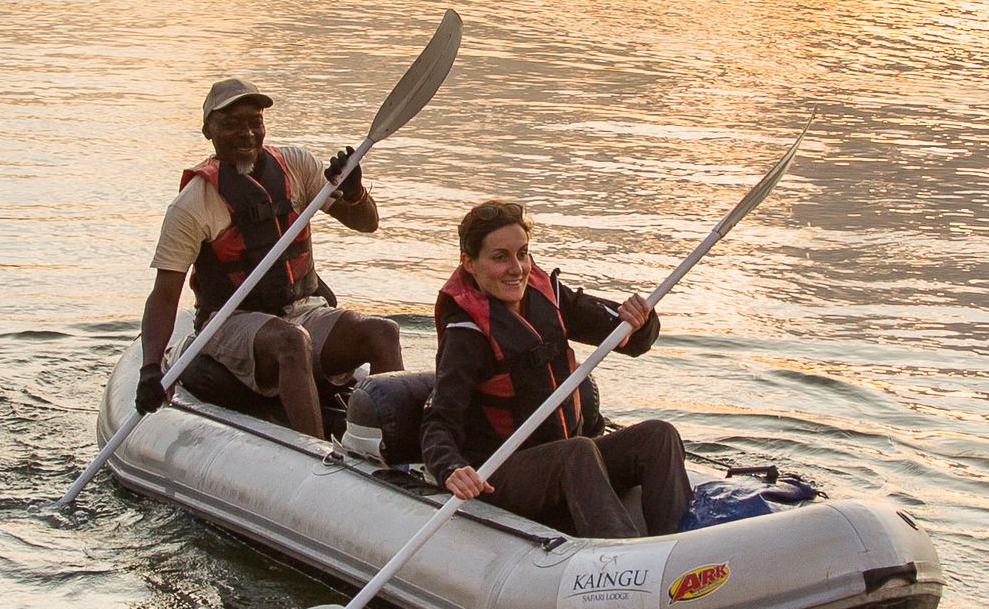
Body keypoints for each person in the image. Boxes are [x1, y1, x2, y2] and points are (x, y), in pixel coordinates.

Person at [134, 77, 404, 438]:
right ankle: (314, 452)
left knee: (382, 332)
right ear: (208, 131)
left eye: (254, 122)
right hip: (230, 320)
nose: (246, 133)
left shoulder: (297, 166)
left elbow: (366, 223)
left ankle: (401, 444)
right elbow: (165, 294)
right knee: (291, 341)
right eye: (231, 124)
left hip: (302, 309)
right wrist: (151, 367)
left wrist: (353, 193)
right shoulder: (192, 205)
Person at [419, 198, 690, 539]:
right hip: (502, 474)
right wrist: (451, 467)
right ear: (469, 263)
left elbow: (628, 339)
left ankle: (680, 544)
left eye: (522, 253)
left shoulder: (548, 295)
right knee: (577, 452)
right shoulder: (466, 332)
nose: (517, 268)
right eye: (500, 257)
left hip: (569, 456)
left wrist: (641, 322)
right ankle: (621, 555)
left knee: (658, 435)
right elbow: (438, 420)